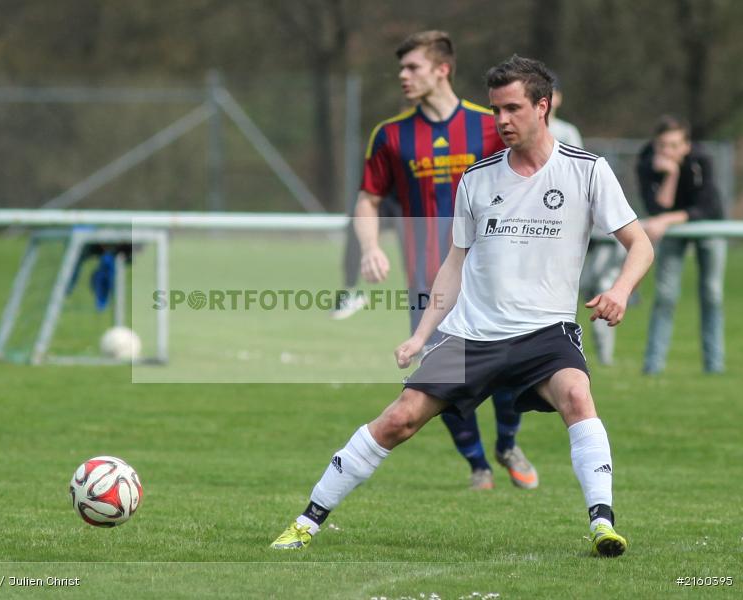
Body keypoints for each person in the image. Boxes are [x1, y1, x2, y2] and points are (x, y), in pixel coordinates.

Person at [270, 55, 654, 557]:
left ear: (544, 106)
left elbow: (640, 244)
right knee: (399, 420)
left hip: (546, 334)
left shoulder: (587, 171)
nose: (502, 121)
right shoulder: (478, 178)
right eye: (496, 110)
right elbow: (454, 263)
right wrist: (422, 333)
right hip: (472, 334)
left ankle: (602, 523)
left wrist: (621, 291)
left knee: (578, 398)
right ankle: (306, 521)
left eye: (513, 108)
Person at [352, 30, 538, 491]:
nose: (402, 76)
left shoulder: (489, 126)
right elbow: (368, 200)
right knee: (438, 381)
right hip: (428, 280)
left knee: (510, 371)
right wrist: (370, 246)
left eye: (412, 67)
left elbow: (524, 184)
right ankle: (478, 465)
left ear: (442, 69)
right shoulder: (391, 135)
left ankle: (507, 442)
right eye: (401, 69)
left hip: (494, 277)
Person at [638, 115, 726, 374]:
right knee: (665, 296)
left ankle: (714, 366)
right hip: (672, 231)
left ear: (686, 145)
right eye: (663, 145)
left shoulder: (702, 159)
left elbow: (706, 207)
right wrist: (671, 175)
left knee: (712, 294)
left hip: (708, 226)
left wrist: (666, 219)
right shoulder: (647, 163)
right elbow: (655, 208)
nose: (668, 151)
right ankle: (653, 366)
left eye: (675, 145)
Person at [549, 74, 624, 366]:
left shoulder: (566, 132)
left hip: (584, 229)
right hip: (555, 229)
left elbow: (575, 169)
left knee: (599, 286)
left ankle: (604, 356)